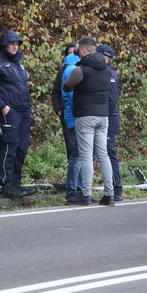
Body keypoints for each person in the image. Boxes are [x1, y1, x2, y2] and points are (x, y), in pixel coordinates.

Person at [0, 30, 35, 199]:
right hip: (10, 111)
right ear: (4, 45)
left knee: (22, 148)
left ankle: (16, 183)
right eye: (12, 44)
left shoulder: (19, 63)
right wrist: (3, 107)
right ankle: (5, 183)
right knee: (9, 146)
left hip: (24, 111)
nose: (14, 47)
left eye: (17, 44)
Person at [63, 38, 114, 206]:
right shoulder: (107, 69)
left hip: (85, 116)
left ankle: (86, 194)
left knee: (86, 156)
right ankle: (109, 194)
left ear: (84, 50)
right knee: (103, 155)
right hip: (103, 116)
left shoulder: (81, 70)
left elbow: (67, 86)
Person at [98, 44, 123, 201]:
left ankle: (117, 188)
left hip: (109, 116)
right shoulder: (101, 72)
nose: (104, 59)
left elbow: (112, 99)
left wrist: (102, 116)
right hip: (103, 116)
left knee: (109, 151)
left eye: (106, 57)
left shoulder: (110, 74)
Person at [60, 48, 83, 204]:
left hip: (72, 117)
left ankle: (79, 190)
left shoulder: (69, 68)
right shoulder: (73, 70)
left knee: (79, 156)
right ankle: (73, 191)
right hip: (74, 118)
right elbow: (72, 95)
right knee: (77, 156)